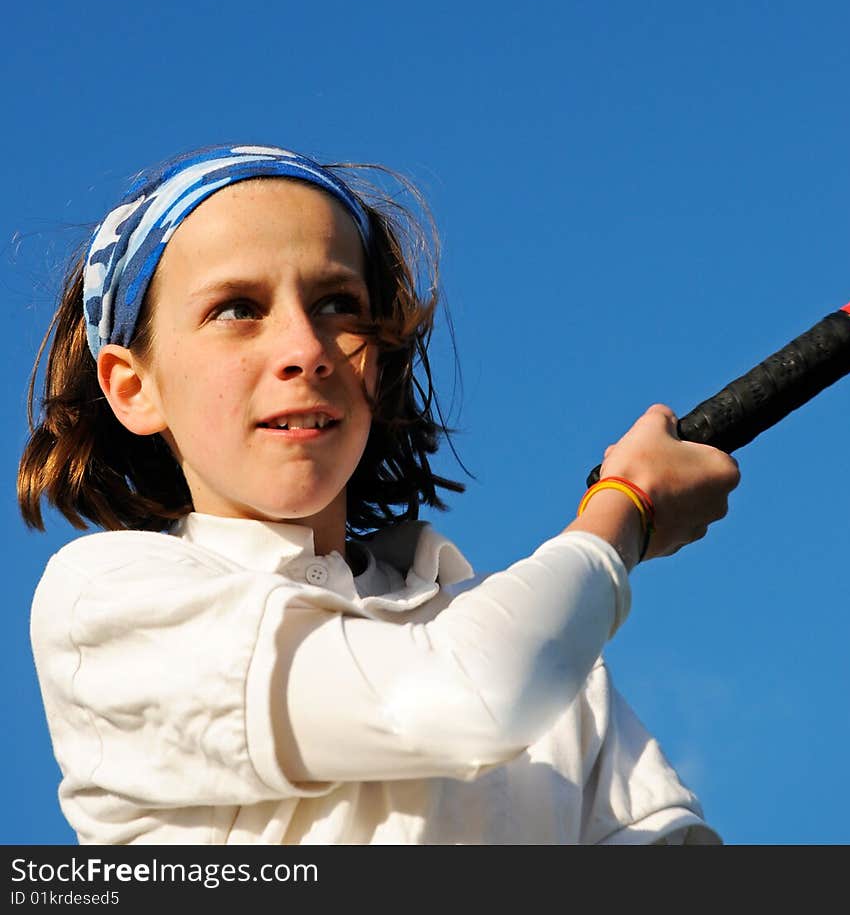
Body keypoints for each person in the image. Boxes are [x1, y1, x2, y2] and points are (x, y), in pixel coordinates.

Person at [19, 142, 740, 847]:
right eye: (238, 308)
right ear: (133, 387)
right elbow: (467, 698)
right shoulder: (102, 603)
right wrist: (628, 508)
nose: (306, 347)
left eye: (338, 302)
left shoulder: (556, 653)